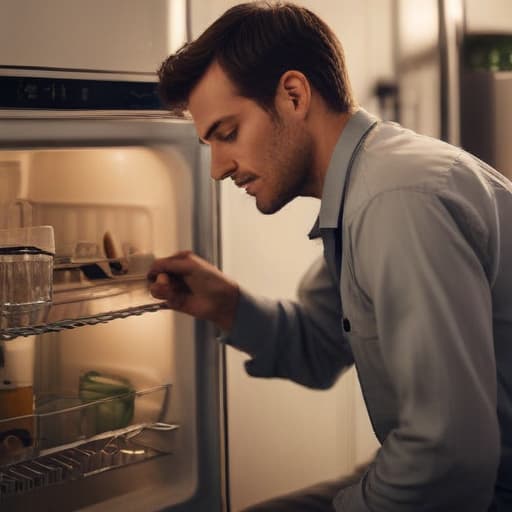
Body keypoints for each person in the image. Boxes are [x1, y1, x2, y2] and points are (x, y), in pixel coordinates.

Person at [147, 2, 512, 511]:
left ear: (293, 95)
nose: (217, 169)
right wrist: (227, 304)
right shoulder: (365, 188)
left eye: (227, 134)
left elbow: (448, 461)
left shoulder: (396, 199)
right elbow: (320, 346)